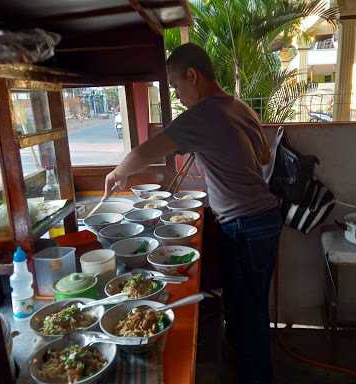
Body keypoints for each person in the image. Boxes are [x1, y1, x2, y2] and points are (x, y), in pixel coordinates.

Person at [103, 43, 282, 384]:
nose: (178, 96)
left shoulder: (204, 114)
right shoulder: (238, 107)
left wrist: (118, 173)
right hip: (261, 220)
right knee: (248, 307)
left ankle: (256, 377)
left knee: (249, 313)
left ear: (192, 76)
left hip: (246, 226)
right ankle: (244, 368)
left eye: (176, 87)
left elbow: (146, 151)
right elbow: (261, 158)